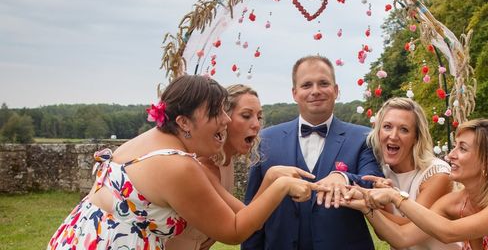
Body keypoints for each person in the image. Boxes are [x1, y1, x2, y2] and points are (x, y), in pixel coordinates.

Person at [48, 75, 322, 250]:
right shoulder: (178, 166)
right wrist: (282, 185)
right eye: (216, 112)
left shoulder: (147, 141)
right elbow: (234, 230)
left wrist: (273, 176)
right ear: (183, 122)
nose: (226, 120)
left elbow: (240, 213)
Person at [241, 55, 384, 250]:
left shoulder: (363, 138)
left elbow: (374, 182)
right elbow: (253, 208)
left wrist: (344, 176)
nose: (315, 91)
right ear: (294, 93)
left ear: (336, 90)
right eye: (307, 85)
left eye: (323, 83)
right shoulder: (266, 139)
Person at [343, 118, 488, 250]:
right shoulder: (454, 202)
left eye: (462, 148)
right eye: (454, 147)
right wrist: (366, 207)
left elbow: (449, 232)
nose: (451, 155)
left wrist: (396, 197)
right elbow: (402, 238)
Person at [167, 83, 271, 250]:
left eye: (259, 117)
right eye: (246, 116)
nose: (256, 125)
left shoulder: (226, 162)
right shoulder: (204, 164)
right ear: (224, 119)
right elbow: (244, 220)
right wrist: (273, 178)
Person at [364, 97, 462, 250]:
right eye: (387, 127)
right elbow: (384, 234)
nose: (393, 136)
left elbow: (408, 231)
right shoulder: (381, 174)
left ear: (416, 138)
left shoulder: (437, 174)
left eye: (404, 129)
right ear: (378, 132)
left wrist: (364, 204)